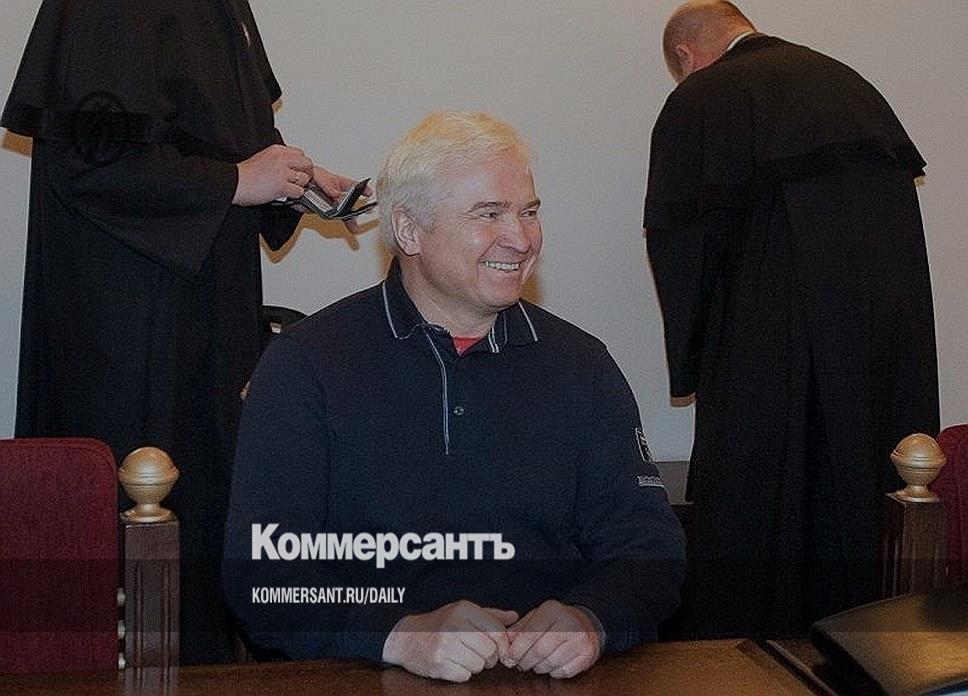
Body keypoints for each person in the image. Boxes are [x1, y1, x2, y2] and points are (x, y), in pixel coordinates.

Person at [224, 111, 685, 682]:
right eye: (488, 214)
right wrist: (397, 634)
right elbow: (263, 574)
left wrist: (593, 618)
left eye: (529, 212)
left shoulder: (582, 365)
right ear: (409, 231)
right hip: (364, 676)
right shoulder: (305, 365)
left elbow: (648, 548)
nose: (521, 238)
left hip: (543, 681)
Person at [1, 0, 363, 663]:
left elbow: (218, 138)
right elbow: (89, 160)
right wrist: (235, 181)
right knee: (139, 516)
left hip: (207, 317)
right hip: (129, 325)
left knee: (209, 502)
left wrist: (291, 182)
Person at [644, 1, 940, 638]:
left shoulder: (703, 98)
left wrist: (693, 358)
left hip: (766, 349)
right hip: (879, 356)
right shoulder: (852, 87)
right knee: (857, 500)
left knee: (760, 507)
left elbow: (681, 242)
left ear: (687, 57)